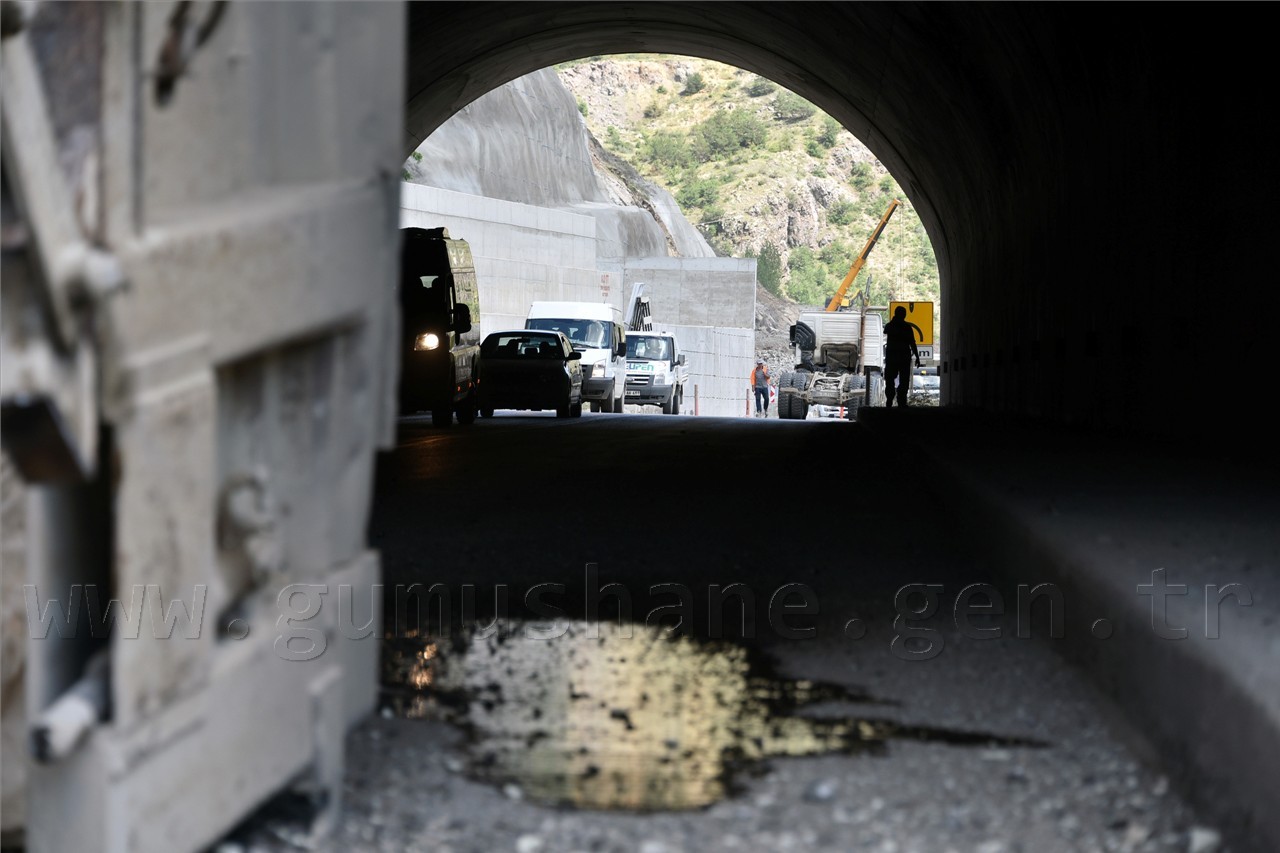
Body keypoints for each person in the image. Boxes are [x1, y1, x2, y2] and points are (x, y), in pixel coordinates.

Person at [883, 306, 921, 407]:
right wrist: (917, 357)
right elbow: (912, 343)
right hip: (904, 357)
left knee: (891, 380)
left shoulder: (890, 326)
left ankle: (890, 401)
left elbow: (886, 330)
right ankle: (901, 402)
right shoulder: (906, 327)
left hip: (892, 357)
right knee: (903, 380)